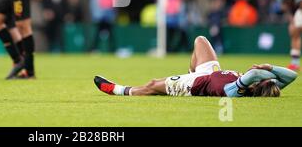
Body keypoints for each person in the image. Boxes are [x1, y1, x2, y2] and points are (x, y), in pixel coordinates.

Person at [94, 36, 297, 97]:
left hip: (197, 84)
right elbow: (292, 76)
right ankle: (188, 72)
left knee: (153, 85)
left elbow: (254, 74)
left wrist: (264, 70)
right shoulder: (257, 84)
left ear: (260, 84)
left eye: (265, 79)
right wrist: (270, 69)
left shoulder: (237, 90)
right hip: (210, 72)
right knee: (200, 41)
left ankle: (117, 90)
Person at [267, 0, 302, 71]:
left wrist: (298, 17)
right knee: (293, 31)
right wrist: (291, 18)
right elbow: (284, 6)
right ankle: (295, 63)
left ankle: (295, 63)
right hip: (295, 10)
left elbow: (300, 1)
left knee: (295, 30)